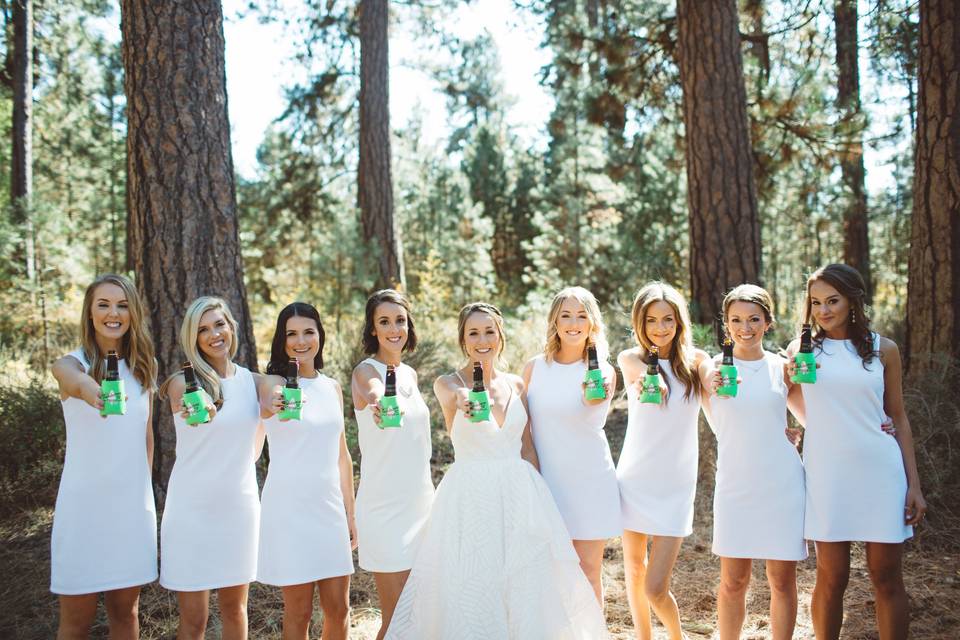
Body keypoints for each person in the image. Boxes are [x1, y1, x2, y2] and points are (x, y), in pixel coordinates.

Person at [385, 302, 609, 639]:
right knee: (475, 584)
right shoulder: (448, 384)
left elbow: (529, 447)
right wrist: (463, 396)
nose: (482, 339)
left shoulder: (517, 385)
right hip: (471, 499)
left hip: (520, 495)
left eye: (489, 331)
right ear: (463, 339)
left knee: (525, 586)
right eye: (473, 333)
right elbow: (455, 395)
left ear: (500, 336)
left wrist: (541, 503)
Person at [787, 264, 926, 640]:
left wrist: (914, 485)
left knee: (886, 577)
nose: (824, 310)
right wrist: (807, 430)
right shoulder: (802, 351)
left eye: (832, 300)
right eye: (816, 303)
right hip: (827, 475)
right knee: (832, 579)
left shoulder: (885, 350)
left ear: (853, 300)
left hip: (880, 472)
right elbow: (792, 402)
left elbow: (898, 416)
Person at [50, 274, 158, 639]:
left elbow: (146, 439)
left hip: (131, 511)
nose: (114, 313)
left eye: (122, 305)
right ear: (90, 313)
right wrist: (92, 390)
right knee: (76, 622)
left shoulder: (145, 368)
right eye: (104, 304)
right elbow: (71, 379)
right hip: (83, 511)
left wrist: (146, 499)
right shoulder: (71, 364)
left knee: (126, 615)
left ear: (133, 313)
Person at [699, 284, 806, 640]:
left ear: (768, 322)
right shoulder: (712, 369)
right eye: (736, 320)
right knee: (733, 581)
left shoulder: (782, 368)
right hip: (735, 485)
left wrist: (878, 423)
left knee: (781, 580)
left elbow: (814, 418)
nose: (745, 328)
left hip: (782, 484)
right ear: (725, 325)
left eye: (754, 319)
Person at [159, 296, 265, 639]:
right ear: (193, 338)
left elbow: (284, 386)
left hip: (239, 509)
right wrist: (197, 403)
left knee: (236, 610)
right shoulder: (183, 383)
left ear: (231, 327)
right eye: (202, 329)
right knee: (194, 621)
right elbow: (187, 402)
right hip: (192, 512)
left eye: (219, 324)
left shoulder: (251, 381)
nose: (213, 334)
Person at [258, 302, 356, 639]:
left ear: (320, 335)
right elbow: (267, 402)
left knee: (339, 610)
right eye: (292, 334)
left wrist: (351, 514)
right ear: (282, 341)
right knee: (298, 614)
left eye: (308, 332)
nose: (301, 341)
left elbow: (342, 455)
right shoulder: (272, 382)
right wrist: (275, 401)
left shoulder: (331, 388)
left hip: (329, 510)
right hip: (289, 511)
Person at [616, 282, 707, 640]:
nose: (660, 328)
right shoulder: (631, 360)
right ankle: (644, 637)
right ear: (640, 323)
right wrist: (649, 383)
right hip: (635, 477)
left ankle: (676, 636)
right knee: (634, 570)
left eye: (667, 319)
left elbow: (722, 403)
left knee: (655, 587)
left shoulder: (698, 362)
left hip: (675, 483)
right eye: (651, 320)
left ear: (679, 321)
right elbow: (642, 380)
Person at [523, 286, 620, 603]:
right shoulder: (534, 368)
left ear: (592, 322)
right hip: (547, 482)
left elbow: (593, 403)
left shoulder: (601, 371)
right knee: (551, 573)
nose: (574, 323)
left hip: (590, 481)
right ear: (554, 321)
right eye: (566, 315)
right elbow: (523, 429)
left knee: (589, 570)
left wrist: (598, 390)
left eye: (581, 315)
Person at [351, 289, 434, 640]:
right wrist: (377, 401)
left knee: (417, 615)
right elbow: (373, 391)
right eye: (384, 322)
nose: (393, 328)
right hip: (384, 509)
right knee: (397, 617)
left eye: (399, 320)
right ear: (372, 330)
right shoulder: (365, 372)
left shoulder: (411, 374)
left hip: (420, 506)